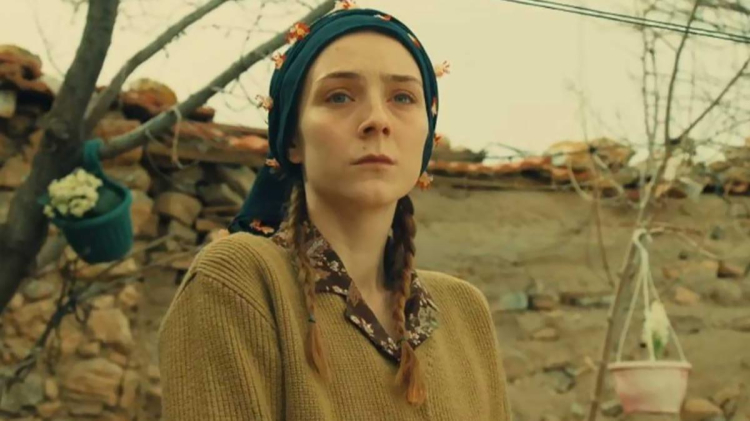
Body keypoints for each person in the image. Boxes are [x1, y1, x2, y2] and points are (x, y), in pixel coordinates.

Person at [158, 5, 511, 420]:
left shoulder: (465, 311)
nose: (377, 120)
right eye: (339, 96)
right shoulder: (240, 280)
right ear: (293, 139)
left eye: (402, 97)